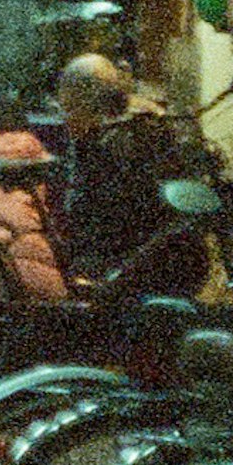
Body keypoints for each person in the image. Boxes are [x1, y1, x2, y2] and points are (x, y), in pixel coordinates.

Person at [52, 52, 214, 302]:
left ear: (85, 102)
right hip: (177, 253)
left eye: (70, 107)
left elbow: (96, 214)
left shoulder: (108, 139)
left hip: (138, 260)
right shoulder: (146, 119)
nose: (67, 117)